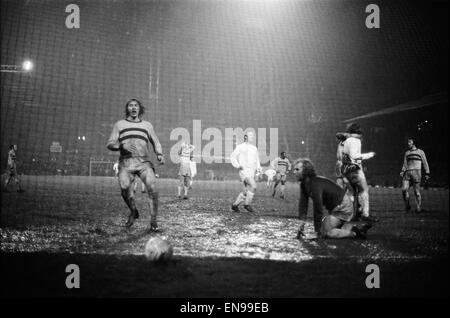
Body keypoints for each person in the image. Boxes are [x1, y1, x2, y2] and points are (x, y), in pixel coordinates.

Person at [107, 98, 164, 230]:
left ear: (139, 109)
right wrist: (121, 145)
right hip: (126, 162)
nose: (133, 108)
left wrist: (159, 154)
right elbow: (110, 143)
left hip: (144, 162)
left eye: (136, 105)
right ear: (127, 109)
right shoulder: (119, 124)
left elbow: (156, 141)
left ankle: (153, 222)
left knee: (152, 187)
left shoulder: (147, 125)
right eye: (131, 105)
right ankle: (133, 211)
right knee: (124, 187)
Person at [293, 158, 372, 239]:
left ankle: (356, 233)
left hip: (343, 208)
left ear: (306, 171)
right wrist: (301, 224)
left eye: (297, 169)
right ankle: (354, 227)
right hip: (339, 206)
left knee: (327, 233)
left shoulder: (314, 184)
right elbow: (303, 205)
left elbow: (318, 209)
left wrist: (317, 232)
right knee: (324, 228)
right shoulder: (304, 184)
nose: (294, 172)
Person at [339, 123, 378, 223]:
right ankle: (365, 214)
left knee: (351, 193)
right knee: (364, 191)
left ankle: (351, 214)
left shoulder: (345, 141)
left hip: (345, 170)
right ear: (357, 132)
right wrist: (369, 155)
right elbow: (354, 155)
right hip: (355, 169)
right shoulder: (355, 141)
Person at [230, 131, 262, 213]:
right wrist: (237, 165)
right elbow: (233, 156)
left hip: (252, 171)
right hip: (244, 171)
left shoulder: (254, 148)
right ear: (245, 137)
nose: (252, 136)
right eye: (250, 135)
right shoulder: (240, 147)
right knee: (253, 186)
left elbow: (257, 161)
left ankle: (235, 205)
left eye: (253, 135)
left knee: (245, 191)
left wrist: (258, 171)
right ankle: (247, 204)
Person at [400, 137, 430, 213]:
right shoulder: (407, 153)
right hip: (407, 173)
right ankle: (407, 206)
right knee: (404, 190)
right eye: (408, 142)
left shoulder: (420, 152)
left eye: (409, 142)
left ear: (414, 143)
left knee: (416, 192)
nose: (408, 143)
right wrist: (402, 171)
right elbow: (405, 163)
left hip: (417, 173)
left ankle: (418, 207)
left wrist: (427, 172)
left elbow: (425, 162)